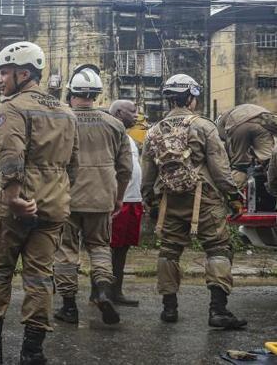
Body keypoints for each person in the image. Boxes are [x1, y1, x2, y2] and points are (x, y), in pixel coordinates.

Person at [0, 41, 78, 365]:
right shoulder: (66, 111)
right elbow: (73, 163)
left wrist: (14, 197)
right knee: (40, 277)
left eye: (4, 73)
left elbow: (11, 156)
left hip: (17, 207)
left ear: (24, 73)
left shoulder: (13, 107)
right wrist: (57, 194)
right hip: (53, 206)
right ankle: (33, 351)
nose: (0, 80)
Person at [142, 73, 247, 329]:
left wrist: (151, 202)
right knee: (218, 248)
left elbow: (147, 175)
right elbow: (220, 168)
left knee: (169, 250)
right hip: (206, 198)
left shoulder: (153, 131)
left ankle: (169, 308)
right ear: (190, 97)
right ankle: (218, 310)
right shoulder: (204, 126)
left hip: (169, 199)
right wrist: (233, 196)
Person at [53, 65, 132, 325]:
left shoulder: (60, 119)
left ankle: (68, 307)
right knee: (99, 247)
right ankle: (101, 290)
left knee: (66, 249)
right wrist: (118, 198)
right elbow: (125, 169)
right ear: (96, 94)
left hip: (65, 196)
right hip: (101, 197)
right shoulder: (115, 124)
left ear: (71, 92)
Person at [108, 99, 143, 306]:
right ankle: (102, 291)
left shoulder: (128, 137)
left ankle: (116, 291)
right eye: (133, 111)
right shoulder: (111, 134)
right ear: (120, 112)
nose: (137, 115)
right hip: (117, 201)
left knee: (123, 248)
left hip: (133, 200)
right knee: (110, 247)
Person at [216, 104, 277, 189]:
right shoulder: (246, 107)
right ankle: (270, 184)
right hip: (262, 126)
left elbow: (225, 143)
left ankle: (234, 193)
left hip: (239, 126)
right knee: (268, 160)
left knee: (240, 166)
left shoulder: (220, 123)